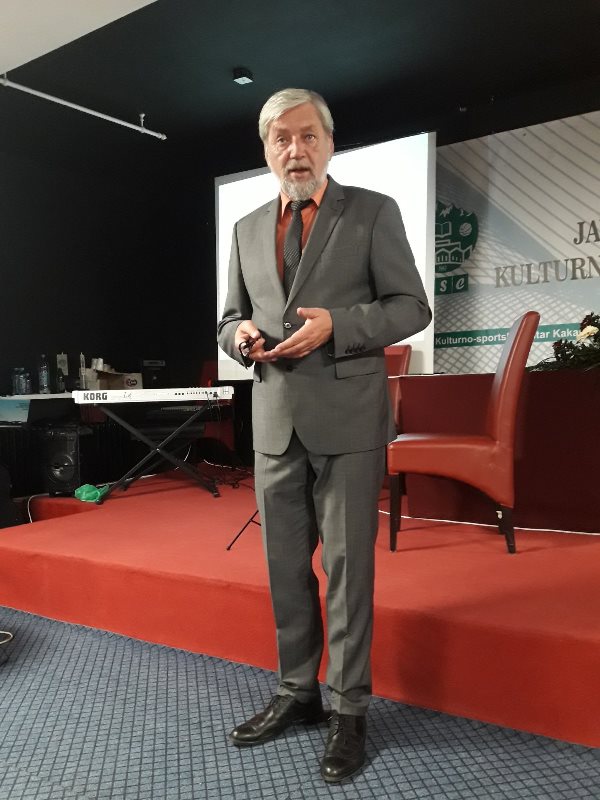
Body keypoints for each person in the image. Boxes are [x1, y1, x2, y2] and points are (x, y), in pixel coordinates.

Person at [217, 88, 431, 783]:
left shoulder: (372, 211)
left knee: (347, 571)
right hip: (274, 421)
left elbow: (411, 307)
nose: (295, 150)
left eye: (308, 135)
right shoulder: (246, 228)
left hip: (347, 420)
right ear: (267, 150)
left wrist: (341, 325)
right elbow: (228, 318)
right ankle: (297, 692)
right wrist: (239, 337)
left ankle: (348, 708)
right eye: (281, 138)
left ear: (330, 143)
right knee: (285, 570)